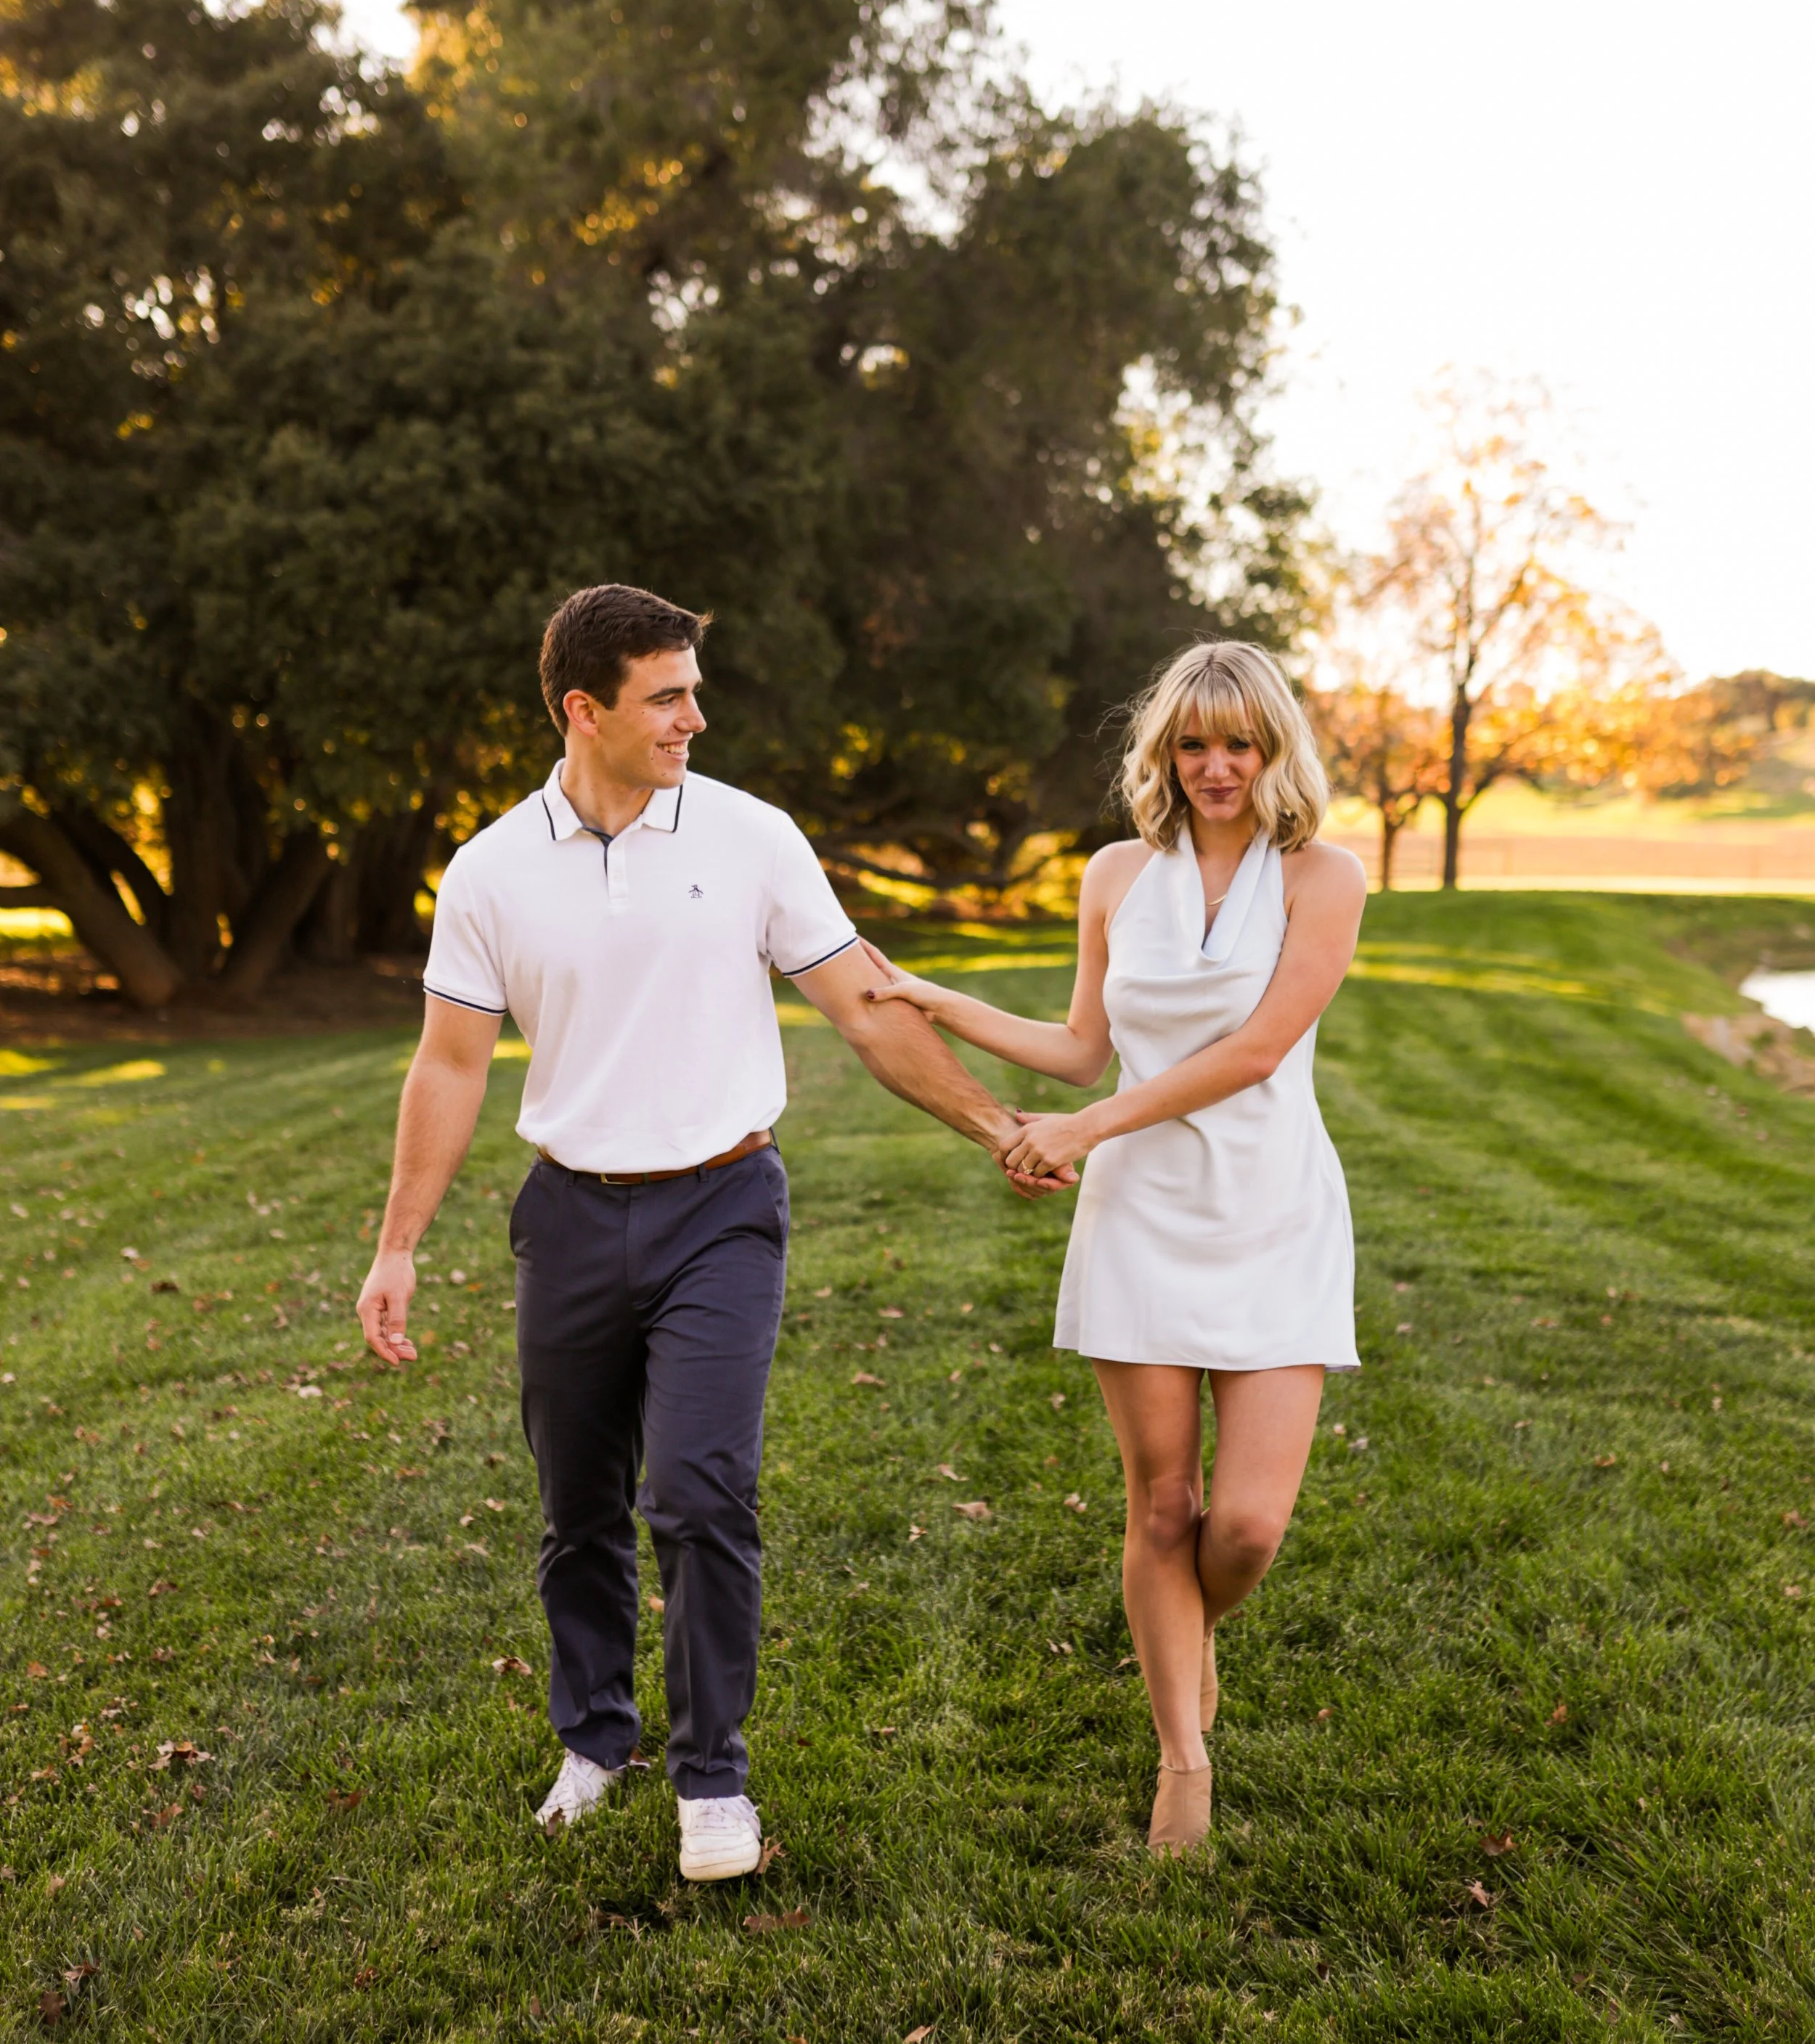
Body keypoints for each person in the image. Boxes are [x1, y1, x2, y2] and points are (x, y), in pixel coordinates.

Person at [355, 583, 1053, 1884]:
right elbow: (450, 1064)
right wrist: (398, 1243)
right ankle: (594, 1739)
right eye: (667, 695)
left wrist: (992, 1121)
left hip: (723, 1207)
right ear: (585, 709)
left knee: (698, 1490)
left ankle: (712, 1777)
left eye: (691, 688)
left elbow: (864, 1003)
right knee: (577, 1511)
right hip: (567, 1217)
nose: (696, 716)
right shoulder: (493, 867)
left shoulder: (752, 837)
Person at [866, 639, 1364, 1855]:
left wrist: (1088, 1127)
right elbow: (1086, 1043)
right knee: (1163, 1508)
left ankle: (1195, 1637)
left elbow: (1251, 1053)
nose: (1216, 766)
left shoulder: (1326, 877)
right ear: (1164, 751)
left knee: (1243, 1526)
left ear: (1274, 748)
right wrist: (942, 1001)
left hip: (1273, 1209)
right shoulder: (1114, 875)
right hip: (1138, 1213)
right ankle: (1181, 1756)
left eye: (1238, 743)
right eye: (1193, 744)